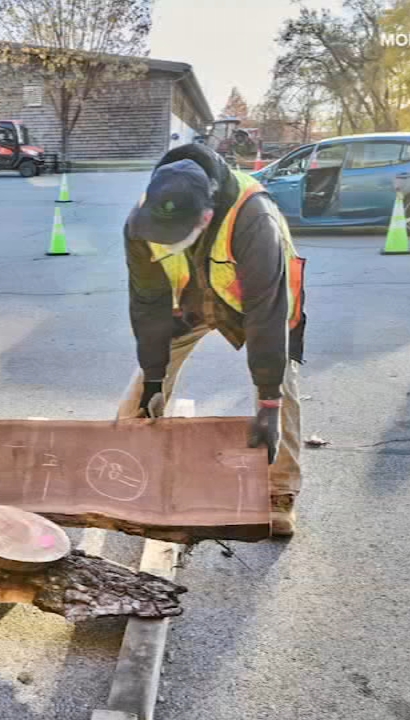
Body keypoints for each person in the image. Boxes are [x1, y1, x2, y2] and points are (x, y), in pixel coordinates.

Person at [119, 143, 309, 536]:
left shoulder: (254, 219)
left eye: (175, 236)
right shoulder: (143, 219)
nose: (164, 241)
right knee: (143, 389)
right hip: (187, 302)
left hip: (252, 304)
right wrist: (155, 376)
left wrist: (268, 405)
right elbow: (147, 302)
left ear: (205, 217)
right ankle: (124, 470)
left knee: (278, 387)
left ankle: (279, 491)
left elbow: (267, 314)